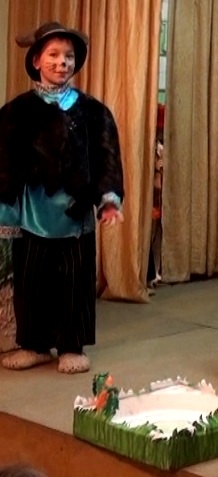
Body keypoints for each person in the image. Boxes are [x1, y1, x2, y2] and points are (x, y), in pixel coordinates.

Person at [0, 21, 125, 374]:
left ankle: (72, 345)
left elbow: (106, 156)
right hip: (32, 214)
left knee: (75, 281)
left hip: (76, 216)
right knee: (31, 280)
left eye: (68, 56)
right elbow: (4, 161)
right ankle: (34, 344)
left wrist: (109, 199)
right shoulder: (16, 111)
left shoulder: (93, 111)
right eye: (53, 55)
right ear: (36, 60)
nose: (61, 62)